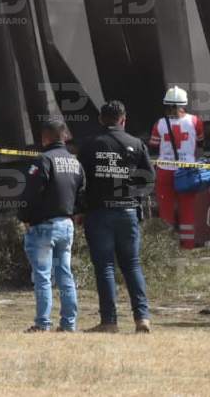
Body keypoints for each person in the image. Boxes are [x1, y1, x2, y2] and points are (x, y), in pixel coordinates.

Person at [77, 100, 155, 333]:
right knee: (132, 265)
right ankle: (142, 318)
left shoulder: (89, 145)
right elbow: (149, 179)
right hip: (128, 211)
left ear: (101, 119)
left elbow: (80, 180)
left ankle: (109, 321)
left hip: (98, 212)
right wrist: (133, 196)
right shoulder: (136, 144)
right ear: (123, 119)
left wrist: (80, 207)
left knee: (105, 267)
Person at [18, 118, 83, 333]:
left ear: (44, 137)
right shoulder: (75, 162)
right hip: (66, 225)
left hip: (44, 227)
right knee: (65, 275)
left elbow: (31, 193)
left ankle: (43, 323)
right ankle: (68, 324)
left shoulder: (43, 160)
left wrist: (24, 217)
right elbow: (81, 194)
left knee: (42, 277)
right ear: (64, 136)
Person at [149, 86, 205, 248]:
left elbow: (153, 145)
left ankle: (168, 246)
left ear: (166, 104)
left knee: (166, 209)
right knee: (187, 209)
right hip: (187, 172)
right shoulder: (195, 121)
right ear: (184, 104)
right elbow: (200, 142)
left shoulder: (159, 124)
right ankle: (188, 245)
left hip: (165, 171)